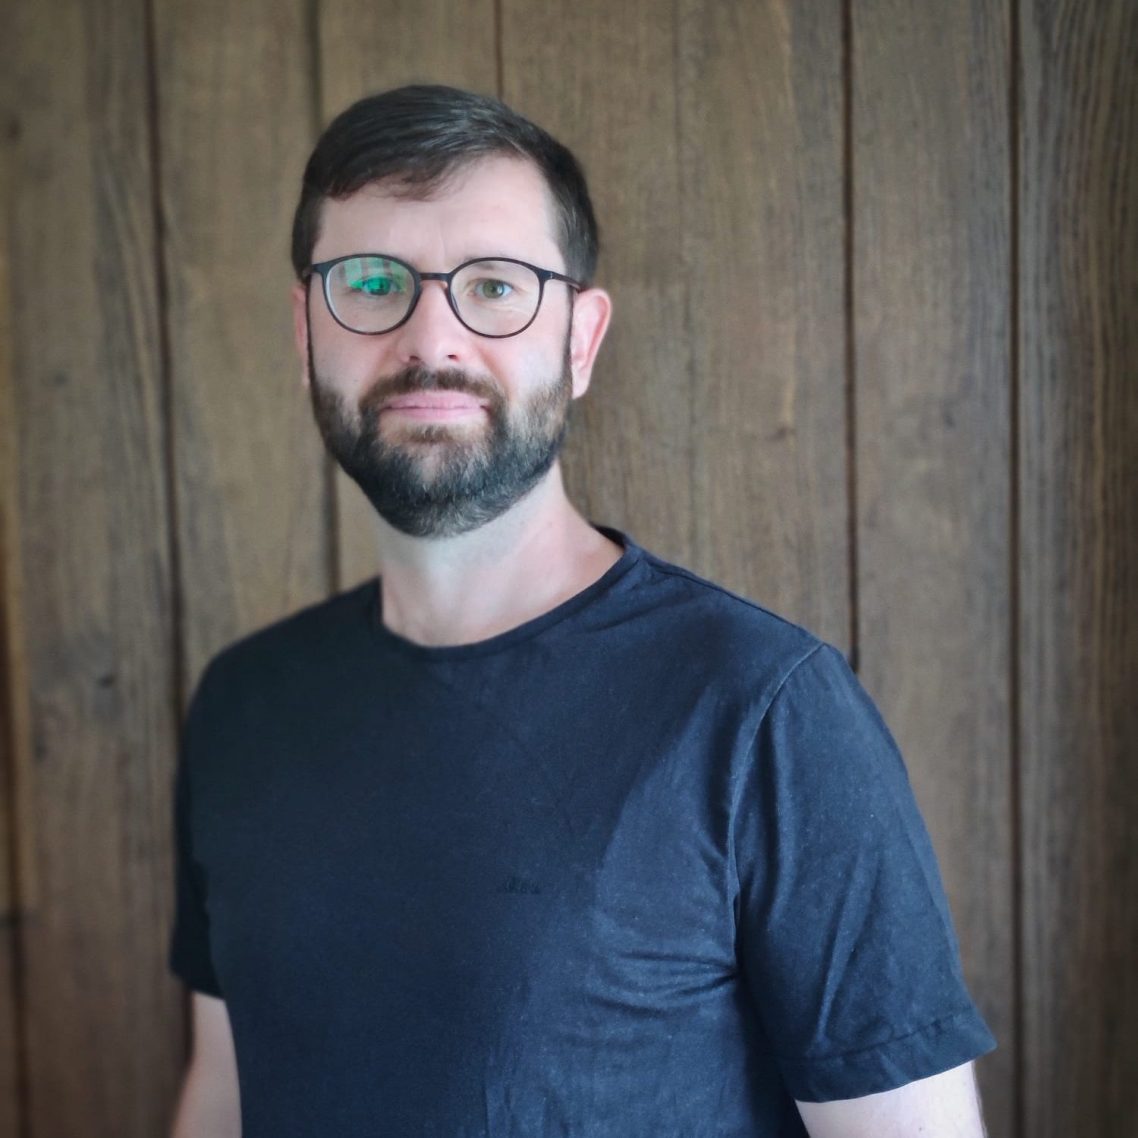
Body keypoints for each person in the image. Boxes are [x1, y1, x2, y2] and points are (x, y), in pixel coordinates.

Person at [168, 85, 995, 1138]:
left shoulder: (764, 712)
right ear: (304, 332)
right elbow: (224, 1089)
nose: (432, 338)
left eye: (495, 286)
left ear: (580, 340)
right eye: (370, 282)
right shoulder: (244, 704)